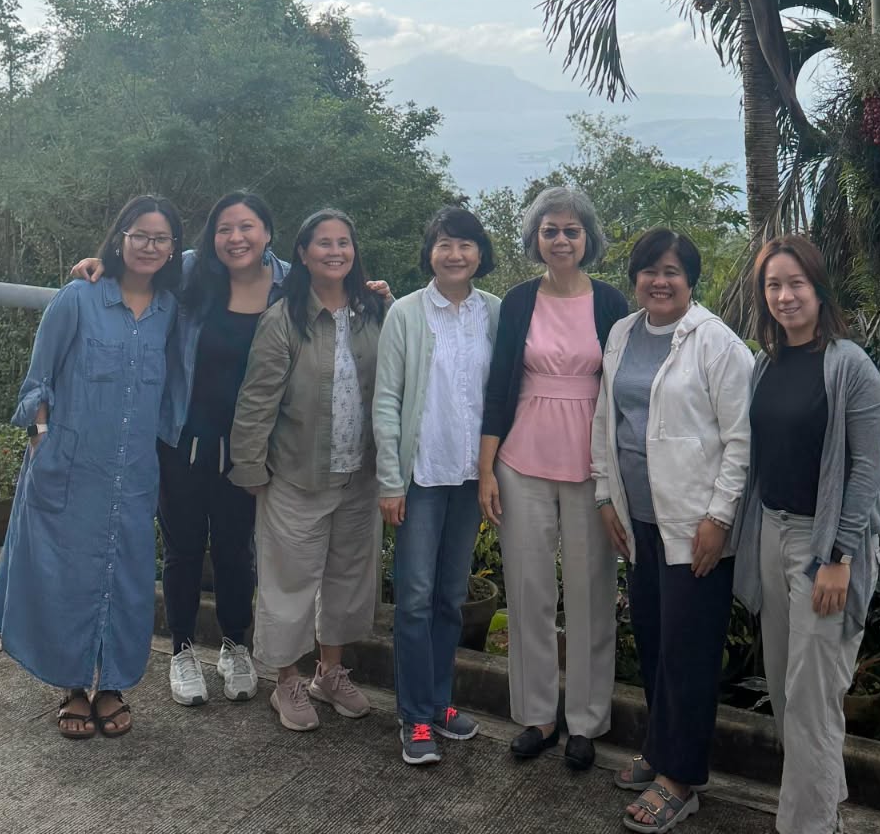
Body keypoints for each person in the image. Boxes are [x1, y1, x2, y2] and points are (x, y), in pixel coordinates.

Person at [72, 191, 289, 709]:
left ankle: (236, 646)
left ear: (267, 233)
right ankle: (183, 650)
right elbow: (142, 267)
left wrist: (376, 293)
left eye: (247, 227)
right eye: (224, 228)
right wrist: (102, 262)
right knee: (184, 549)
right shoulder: (191, 272)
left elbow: (337, 289)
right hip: (184, 438)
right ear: (211, 236)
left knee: (238, 551)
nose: (236, 238)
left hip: (250, 446)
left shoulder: (289, 283)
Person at [724, 235, 880, 834]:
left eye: (796, 283)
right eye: (773, 285)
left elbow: (865, 473)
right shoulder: (767, 366)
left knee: (814, 699)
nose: (785, 295)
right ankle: (826, 816)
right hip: (774, 534)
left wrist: (838, 559)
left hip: (825, 551)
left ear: (821, 290)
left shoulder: (852, 369)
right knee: (791, 695)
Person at [0, 194, 184, 740]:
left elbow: (249, 266)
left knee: (126, 574)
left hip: (135, 470)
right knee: (68, 575)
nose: (149, 245)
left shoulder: (173, 310)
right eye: (139, 233)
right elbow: (39, 378)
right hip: (71, 463)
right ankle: (74, 684)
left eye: (161, 237)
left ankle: (115, 683)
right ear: (119, 237)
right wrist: (44, 438)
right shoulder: (79, 297)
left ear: (174, 250)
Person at [591, 228, 753, 834]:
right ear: (634, 278)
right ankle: (660, 755)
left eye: (672, 271)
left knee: (688, 649)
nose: (659, 281)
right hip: (639, 517)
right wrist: (605, 493)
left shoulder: (716, 343)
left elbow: (740, 440)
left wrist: (718, 519)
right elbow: (606, 416)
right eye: (648, 270)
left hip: (694, 525)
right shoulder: (623, 334)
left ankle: (680, 781)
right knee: (657, 640)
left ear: (692, 281)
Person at [479, 185, 628, 771]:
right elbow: (498, 387)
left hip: (592, 464)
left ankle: (587, 721)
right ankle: (537, 715)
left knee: (593, 591)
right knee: (529, 591)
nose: (560, 239)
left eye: (570, 230)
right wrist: (485, 467)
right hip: (522, 460)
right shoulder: (517, 302)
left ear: (587, 238)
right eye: (549, 230)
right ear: (534, 238)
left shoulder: (611, 302)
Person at [229, 208, 390, 732]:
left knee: (346, 581)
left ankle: (331, 671)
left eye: (344, 242)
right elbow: (256, 402)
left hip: (359, 475)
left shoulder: (372, 312)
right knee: (288, 585)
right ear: (302, 253)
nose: (335, 251)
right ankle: (287, 681)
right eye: (323, 243)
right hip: (296, 474)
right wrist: (249, 466)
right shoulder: (284, 319)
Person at [373, 206, 502, 767]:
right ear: (430, 252)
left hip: (471, 476)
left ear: (481, 254)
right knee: (416, 599)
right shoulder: (404, 313)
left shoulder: (497, 313)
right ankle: (414, 715)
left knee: (451, 598)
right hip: (420, 477)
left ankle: (440, 702)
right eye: (445, 244)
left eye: (466, 245)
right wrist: (390, 481)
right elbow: (388, 399)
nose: (455, 254)